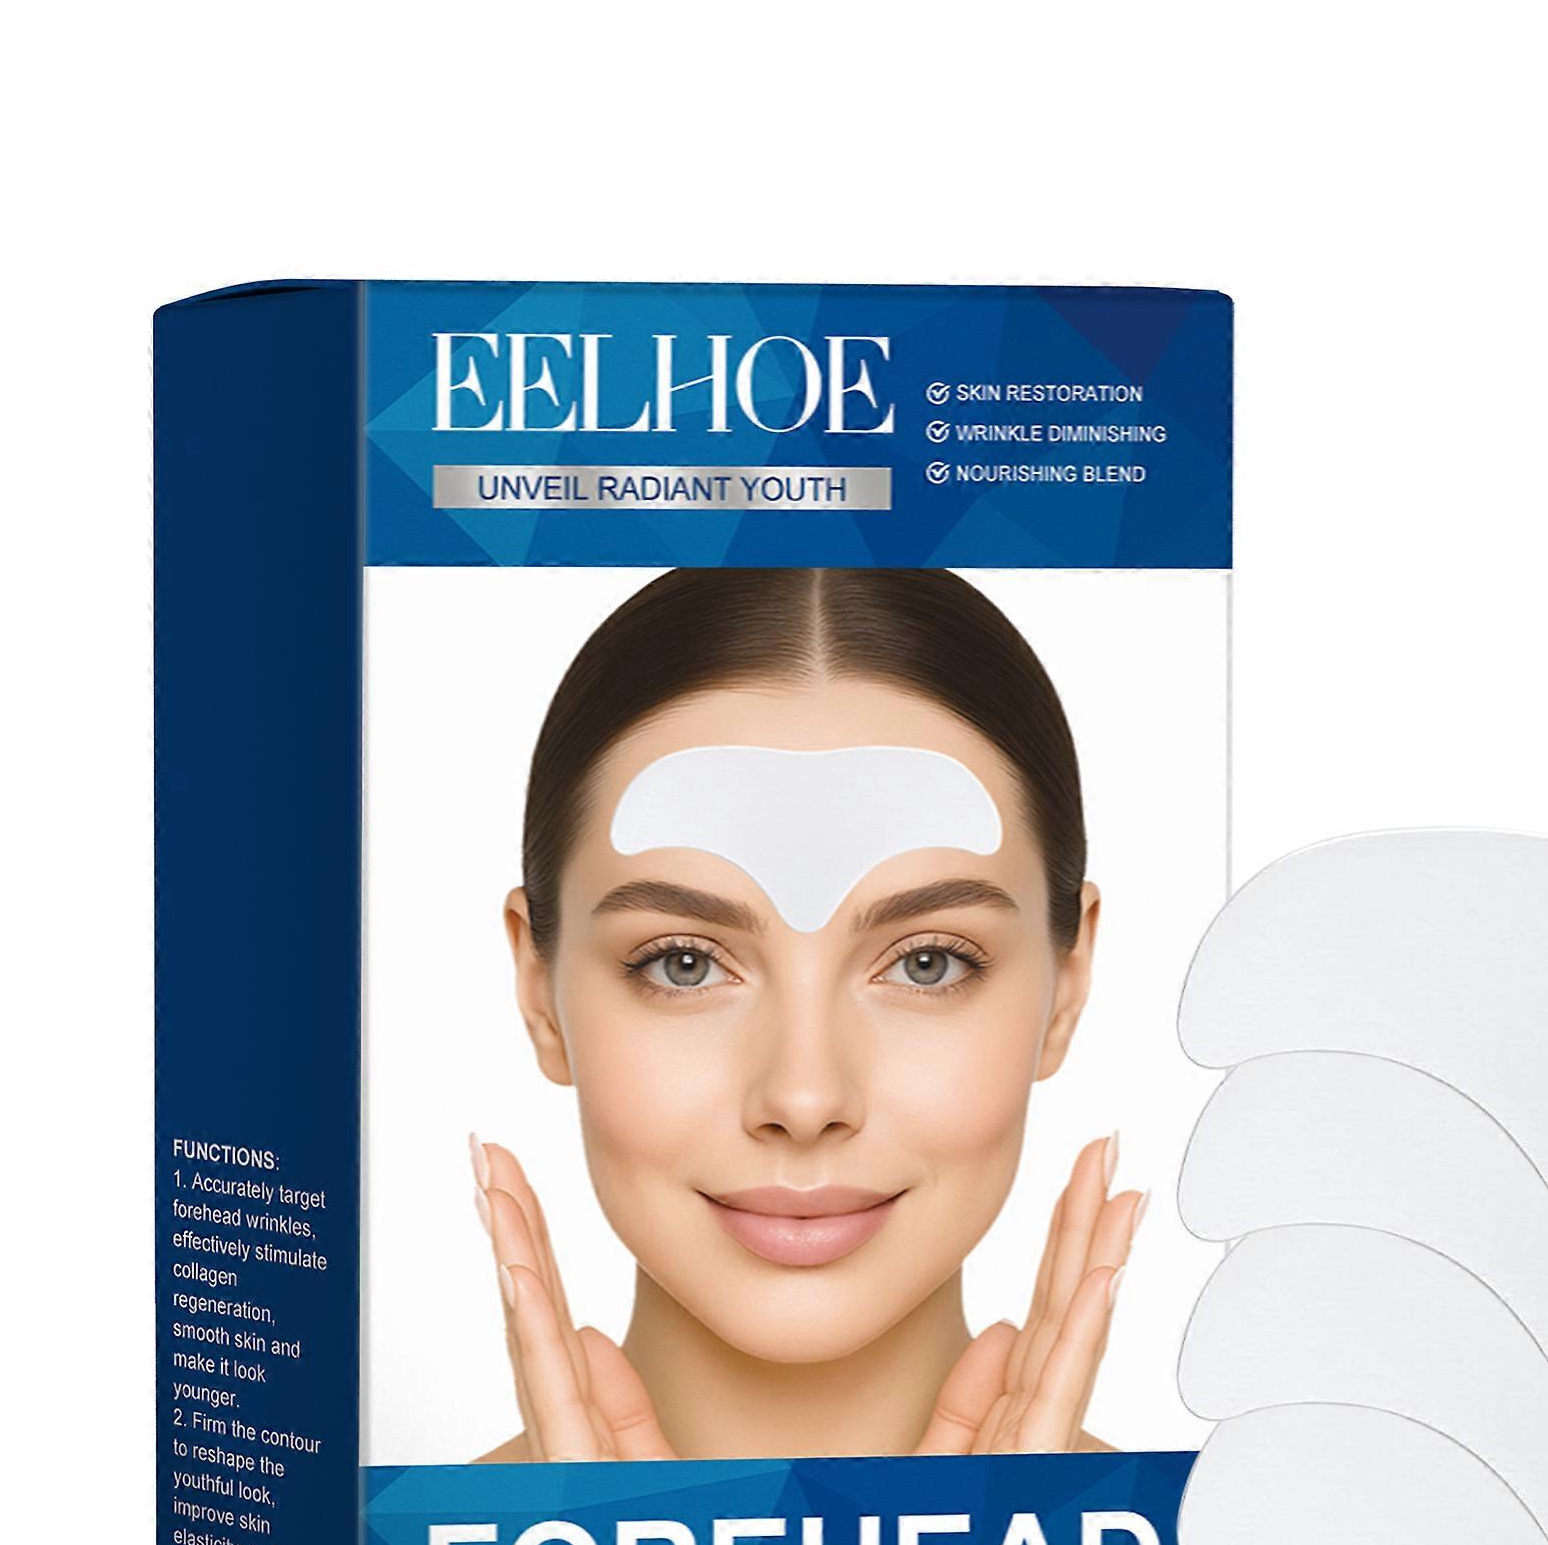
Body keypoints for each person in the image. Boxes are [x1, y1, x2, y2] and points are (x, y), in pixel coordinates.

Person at [472, 566, 1142, 1460]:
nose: (803, 1097)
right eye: (683, 964)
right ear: (538, 989)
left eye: (928, 962)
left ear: (1067, 984)